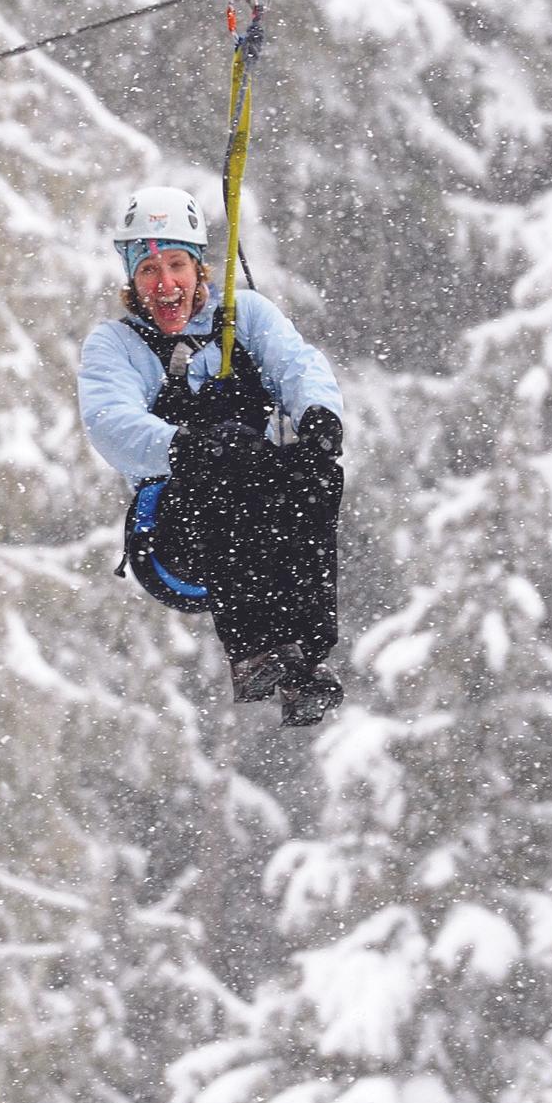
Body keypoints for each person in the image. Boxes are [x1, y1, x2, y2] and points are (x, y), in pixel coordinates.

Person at [77, 186, 347, 727]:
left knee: (314, 475)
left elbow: (297, 364)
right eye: (149, 271)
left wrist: (319, 415)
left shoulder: (243, 317)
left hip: (262, 518)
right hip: (175, 535)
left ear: (199, 268)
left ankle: (306, 657)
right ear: (133, 280)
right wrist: (185, 446)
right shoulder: (118, 345)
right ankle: (254, 650)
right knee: (224, 474)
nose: (165, 284)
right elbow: (110, 422)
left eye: (177, 265)